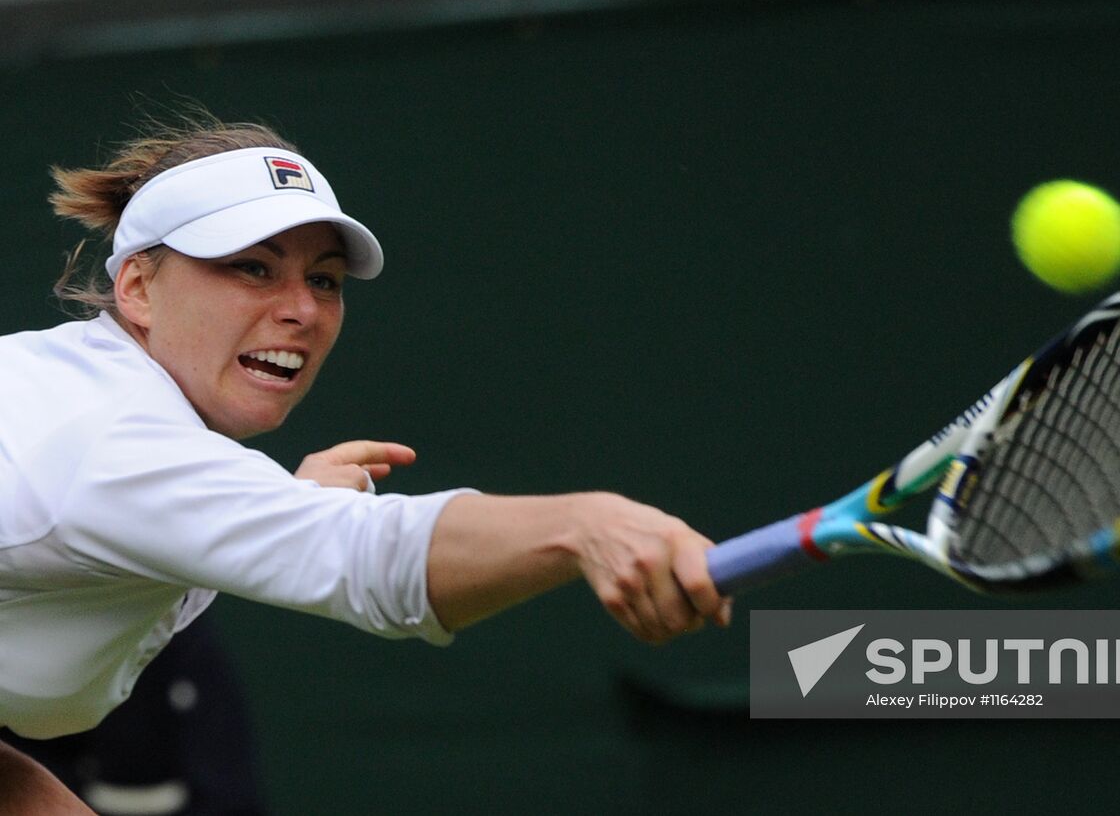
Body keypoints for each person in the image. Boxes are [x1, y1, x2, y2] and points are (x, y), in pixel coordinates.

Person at [0, 115, 728, 810]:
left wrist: (283, 507)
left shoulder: (88, 413)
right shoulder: (111, 443)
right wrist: (585, 525)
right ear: (137, 287)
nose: (304, 311)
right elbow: (374, 558)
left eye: (324, 280)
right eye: (253, 268)